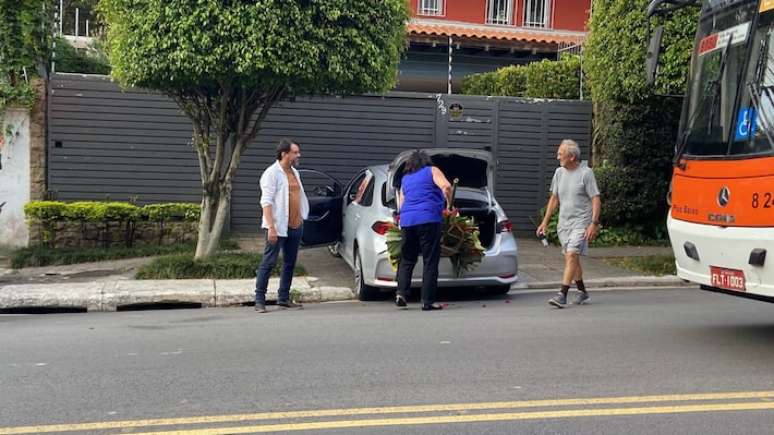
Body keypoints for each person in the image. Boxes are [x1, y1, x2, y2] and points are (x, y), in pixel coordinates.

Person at [537, 139, 601, 308]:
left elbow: (595, 198)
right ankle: (582, 292)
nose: (557, 156)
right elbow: (554, 199)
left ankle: (562, 294)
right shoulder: (559, 173)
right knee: (572, 258)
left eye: (561, 153)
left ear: (572, 157)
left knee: (572, 254)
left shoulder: (586, 173)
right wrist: (544, 222)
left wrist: (594, 223)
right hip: (563, 223)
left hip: (581, 223)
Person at [254, 139, 309, 313]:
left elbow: (297, 197)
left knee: (289, 263)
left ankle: (283, 298)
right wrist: (271, 227)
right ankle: (259, 300)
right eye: (295, 152)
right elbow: (266, 202)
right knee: (268, 263)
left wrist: (300, 217)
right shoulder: (271, 173)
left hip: (295, 226)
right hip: (277, 227)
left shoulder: (295, 173)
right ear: (284, 154)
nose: (298, 155)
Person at [395, 150, 452, 311]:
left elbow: (401, 202)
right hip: (428, 220)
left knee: (407, 259)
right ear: (426, 161)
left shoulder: (405, 179)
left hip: (407, 222)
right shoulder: (432, 171)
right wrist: (449, 204)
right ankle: (427, 301)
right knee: (430, 260)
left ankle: (401, 293)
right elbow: (446, 186)